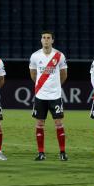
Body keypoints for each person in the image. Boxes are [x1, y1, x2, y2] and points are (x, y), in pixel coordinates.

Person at [29, 30, 68, 161]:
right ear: (41, 40)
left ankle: (62, 152)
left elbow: (64, 74)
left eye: (48, 38)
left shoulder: (59, 55)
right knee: (40, 123)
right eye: (44, 38)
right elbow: (33, 74)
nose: (46, 40)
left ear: (52, 40)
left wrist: (55, 86)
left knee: (58, 123)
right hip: (40, 95)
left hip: (55, 96)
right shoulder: (35, 56)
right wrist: (42, 85)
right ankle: (41, 153)